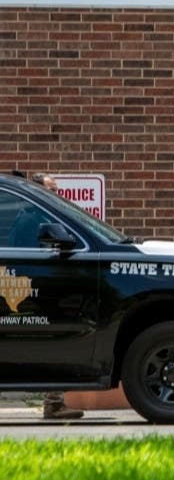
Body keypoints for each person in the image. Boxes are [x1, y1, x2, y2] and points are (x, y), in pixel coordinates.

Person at [27, 173, 85, 420]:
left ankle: (54, 401)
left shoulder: (40, 218)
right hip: (37, 291)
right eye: (51, 190)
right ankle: (53, 403)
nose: (56, 195)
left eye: (57, 190)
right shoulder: (33, 220)